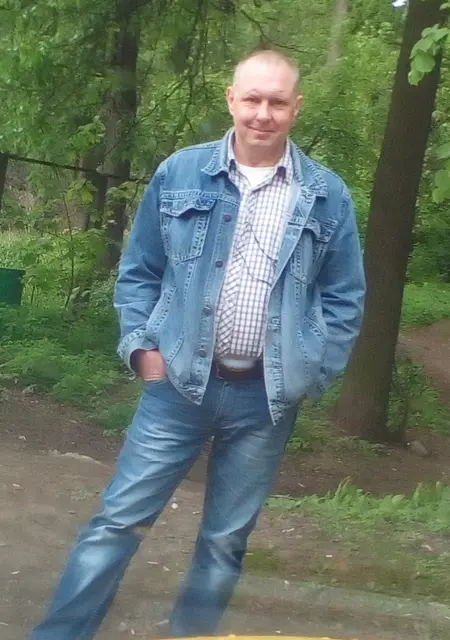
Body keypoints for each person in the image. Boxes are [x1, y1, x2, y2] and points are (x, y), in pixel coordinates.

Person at [31, 48, 365, 640]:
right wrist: (142, 349)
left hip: (266, 401)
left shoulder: (326, 195)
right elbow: (139, 271)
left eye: (277, 102)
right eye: (252, 98)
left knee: (225, 541)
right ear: (231, 99)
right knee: (117, 523)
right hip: (178, 386)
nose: (263, 113)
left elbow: (344, 297)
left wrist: (311, 372)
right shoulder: (180, 173)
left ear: (296, 107)